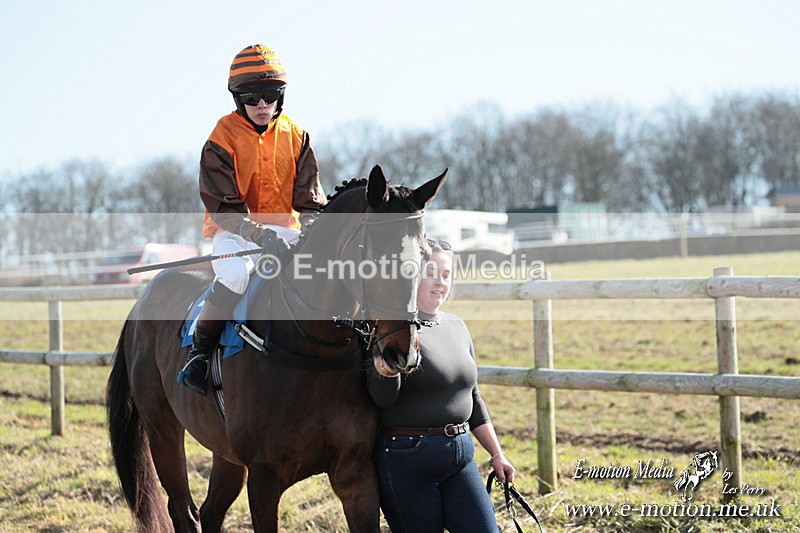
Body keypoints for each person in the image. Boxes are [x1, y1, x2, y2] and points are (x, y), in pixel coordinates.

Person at [178, 44, 326, 394]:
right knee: (235, 275)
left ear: (281, 96)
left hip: (286, 231)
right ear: (237, 99)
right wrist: (259, 236)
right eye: (252, 97)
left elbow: (310, 202)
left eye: (270, 95)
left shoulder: (298, 135)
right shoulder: (220, 138)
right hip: (235, 232)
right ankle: (200, 354)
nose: (262, 105)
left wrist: (312, 234)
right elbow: (224, 207)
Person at [368, 239, 516, 532]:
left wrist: (497, 454)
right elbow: (382, 399)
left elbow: (473, 397)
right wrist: (388, 365)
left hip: (460, 456)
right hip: (405, 459)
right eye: (430, 273)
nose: (439, 283)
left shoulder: (456, 325)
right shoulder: (389, 331)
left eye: (446, 275)